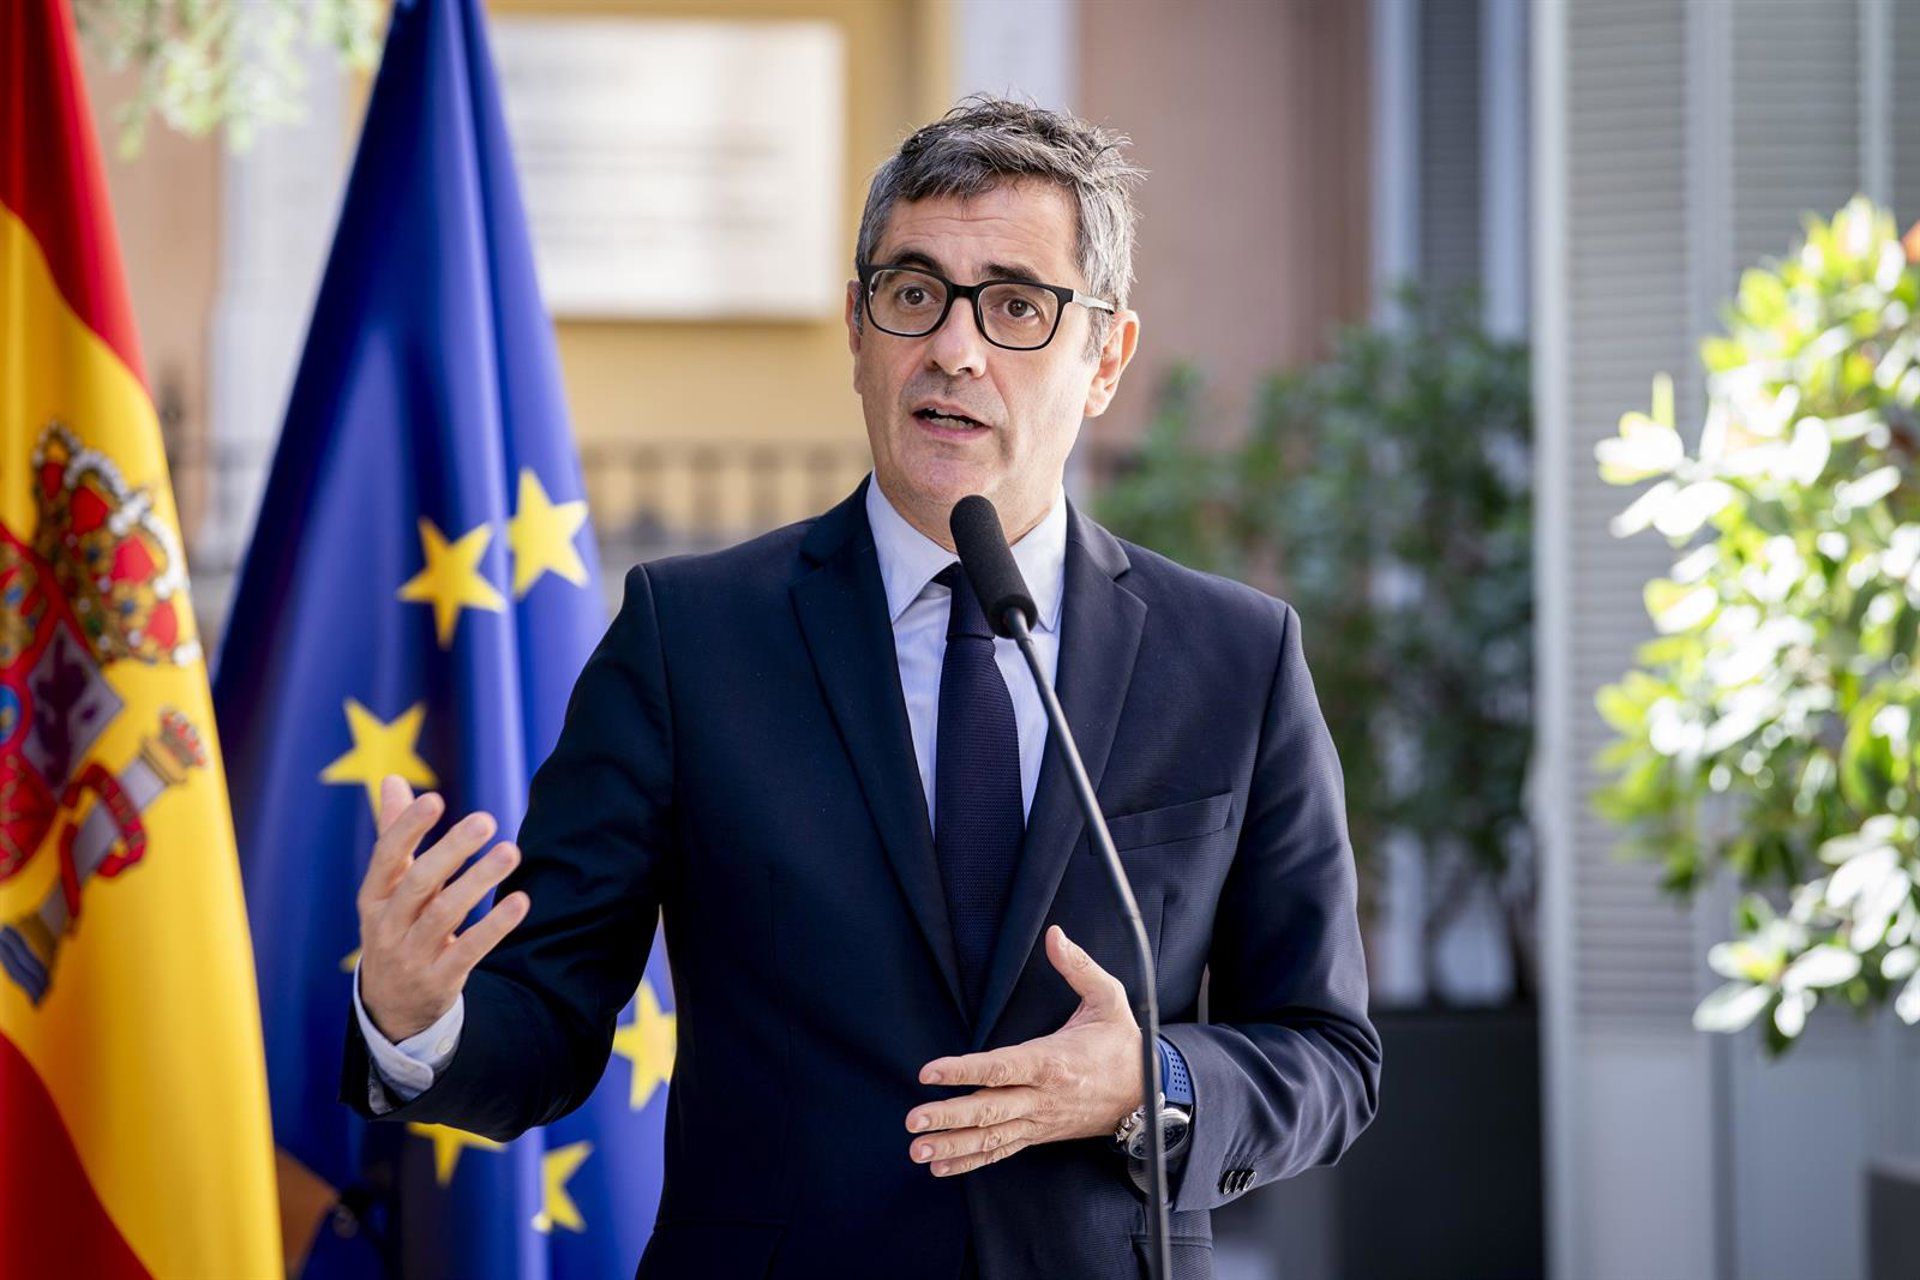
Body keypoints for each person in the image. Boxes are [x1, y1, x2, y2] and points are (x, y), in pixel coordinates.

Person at [342, 96, 1381, 1280]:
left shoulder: (1237, 657)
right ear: (856, 327)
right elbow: (548, 1017)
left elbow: (1328, 1054)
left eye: (1016, 305)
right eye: (914, 292)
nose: (954, 347)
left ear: (1105, 358)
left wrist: (1156, 1080)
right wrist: (418, 1016)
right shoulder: (690, 637)